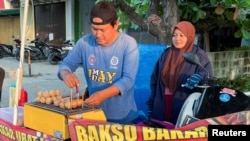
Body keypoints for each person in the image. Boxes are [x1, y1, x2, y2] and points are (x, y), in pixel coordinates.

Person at [57, 1, 140, 124]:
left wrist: (103, 95)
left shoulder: (128, 44)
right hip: (93, 114)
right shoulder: (84, 43)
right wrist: (66, 74)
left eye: (102, 30)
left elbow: (128, 80)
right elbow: (65, 65)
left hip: (122, 116)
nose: (98, 34)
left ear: (115, 24)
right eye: (94, 29)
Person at [147, 21, 213, 124]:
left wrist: (199, 77)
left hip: (183, 101)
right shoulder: (166, 53)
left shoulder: (199, 55)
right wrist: (151, 104)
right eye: (175, 35)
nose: (177, 39)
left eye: (182, 35)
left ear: (190, 36)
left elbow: (207, 74)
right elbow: (155, 80)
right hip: (162, 101)